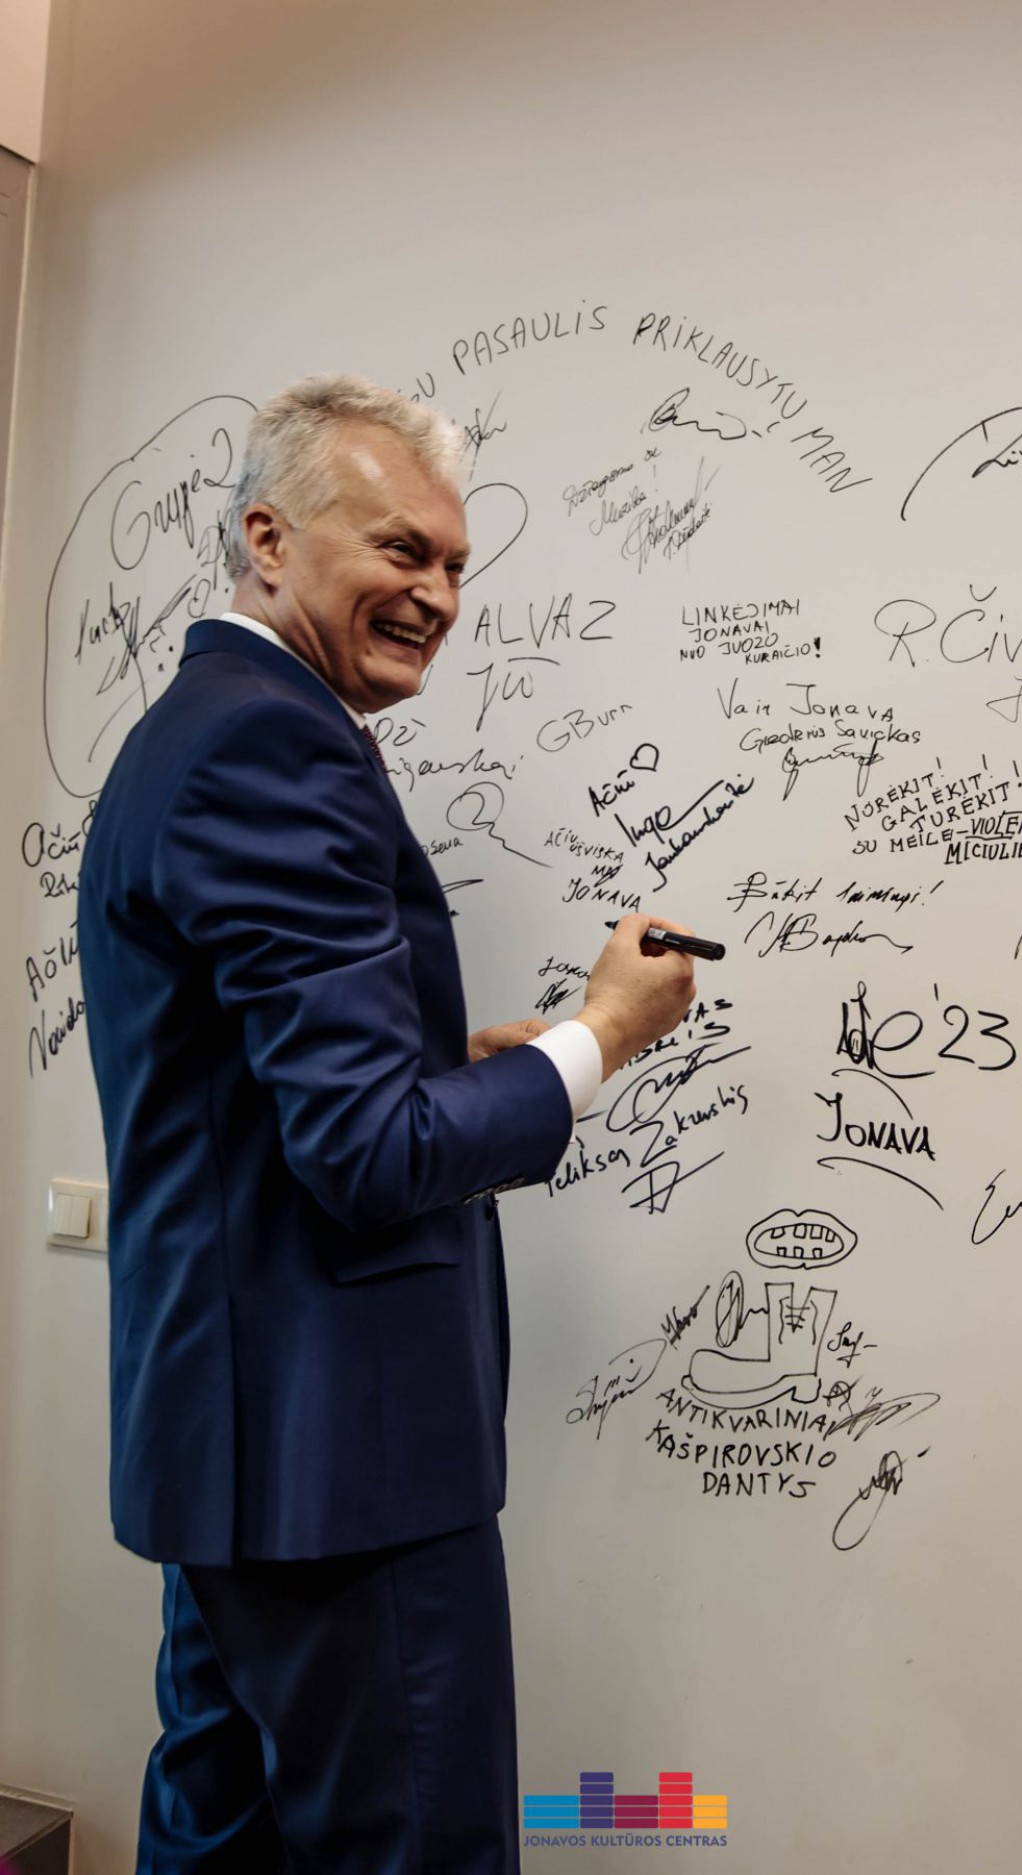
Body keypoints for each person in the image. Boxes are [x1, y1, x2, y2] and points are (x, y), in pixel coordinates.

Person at [78, 374, 697, 1874]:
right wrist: (598, 1036)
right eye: (401, 550)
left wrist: (446, 1058)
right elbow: (369, 1155)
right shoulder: (273, 745)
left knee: (220, 1840)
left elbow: (272, 1094)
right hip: (339, 1474)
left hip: (245, 1467)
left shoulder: (198, 729)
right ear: (268, 538)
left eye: (456, 565)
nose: (437, 596)